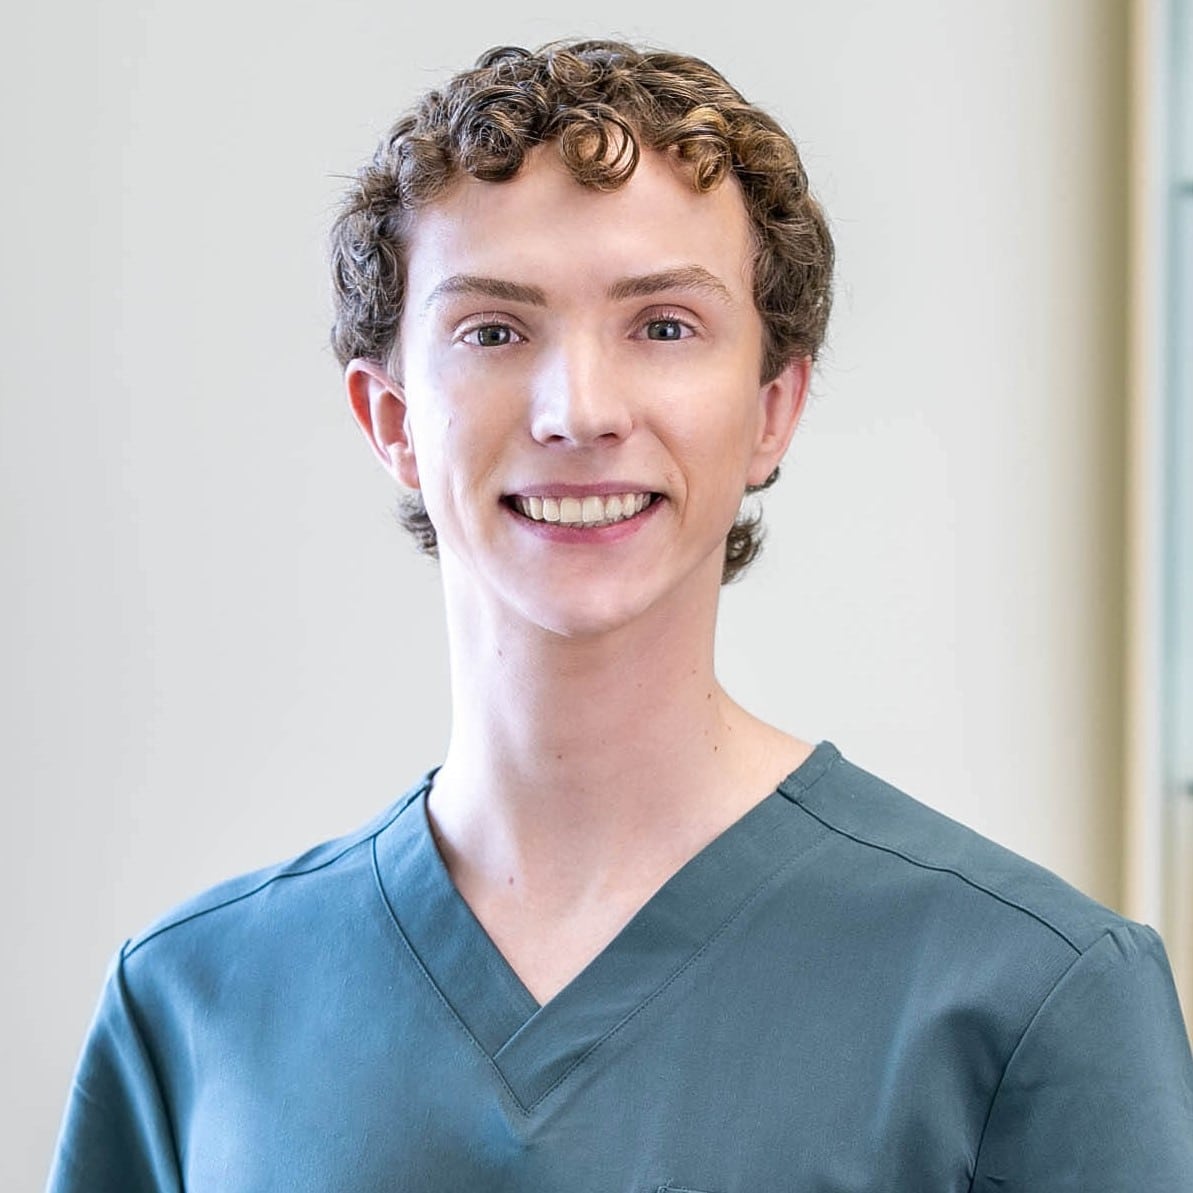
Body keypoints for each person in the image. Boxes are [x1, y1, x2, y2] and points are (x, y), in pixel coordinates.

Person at [49, 38, 1193, 1192]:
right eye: (494, 330)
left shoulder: (1033, 1000)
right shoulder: (194, 1005)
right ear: (390, 418)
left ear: (771, 409)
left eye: (662, 327)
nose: (577, 409)